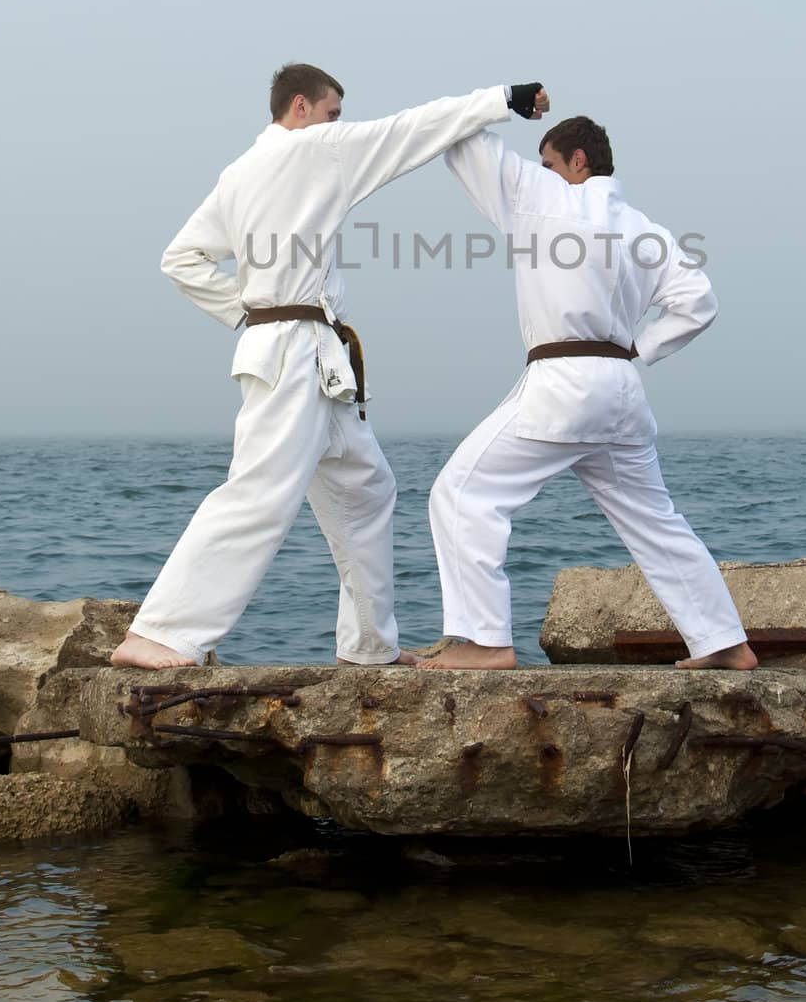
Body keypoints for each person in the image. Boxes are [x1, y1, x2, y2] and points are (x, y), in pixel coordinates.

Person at [111, 67, 549, 671]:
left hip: (307, 355)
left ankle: (370, 648)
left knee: (367, 492)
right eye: (332, 112)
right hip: (294, 352)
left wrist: (247, 310)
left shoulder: (238, 173)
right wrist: (502, 100)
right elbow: (411, 130)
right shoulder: (316, 148)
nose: (337, 125)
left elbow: (180, 258)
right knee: (259, 493)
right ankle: (162, 634)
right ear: (300, 107)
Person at [421, 114, 756, 672]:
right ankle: (724, 641)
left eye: (550, 161)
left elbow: (466, 143)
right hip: (621, 391)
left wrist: (501, 101)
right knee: (656, 521)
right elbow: (698, 301)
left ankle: (485, 641)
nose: (541, 170)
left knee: (461, 495)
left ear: (578, 161)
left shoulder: (545, 199)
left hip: (567, 386)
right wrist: (639, 350)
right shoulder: (646, 229)